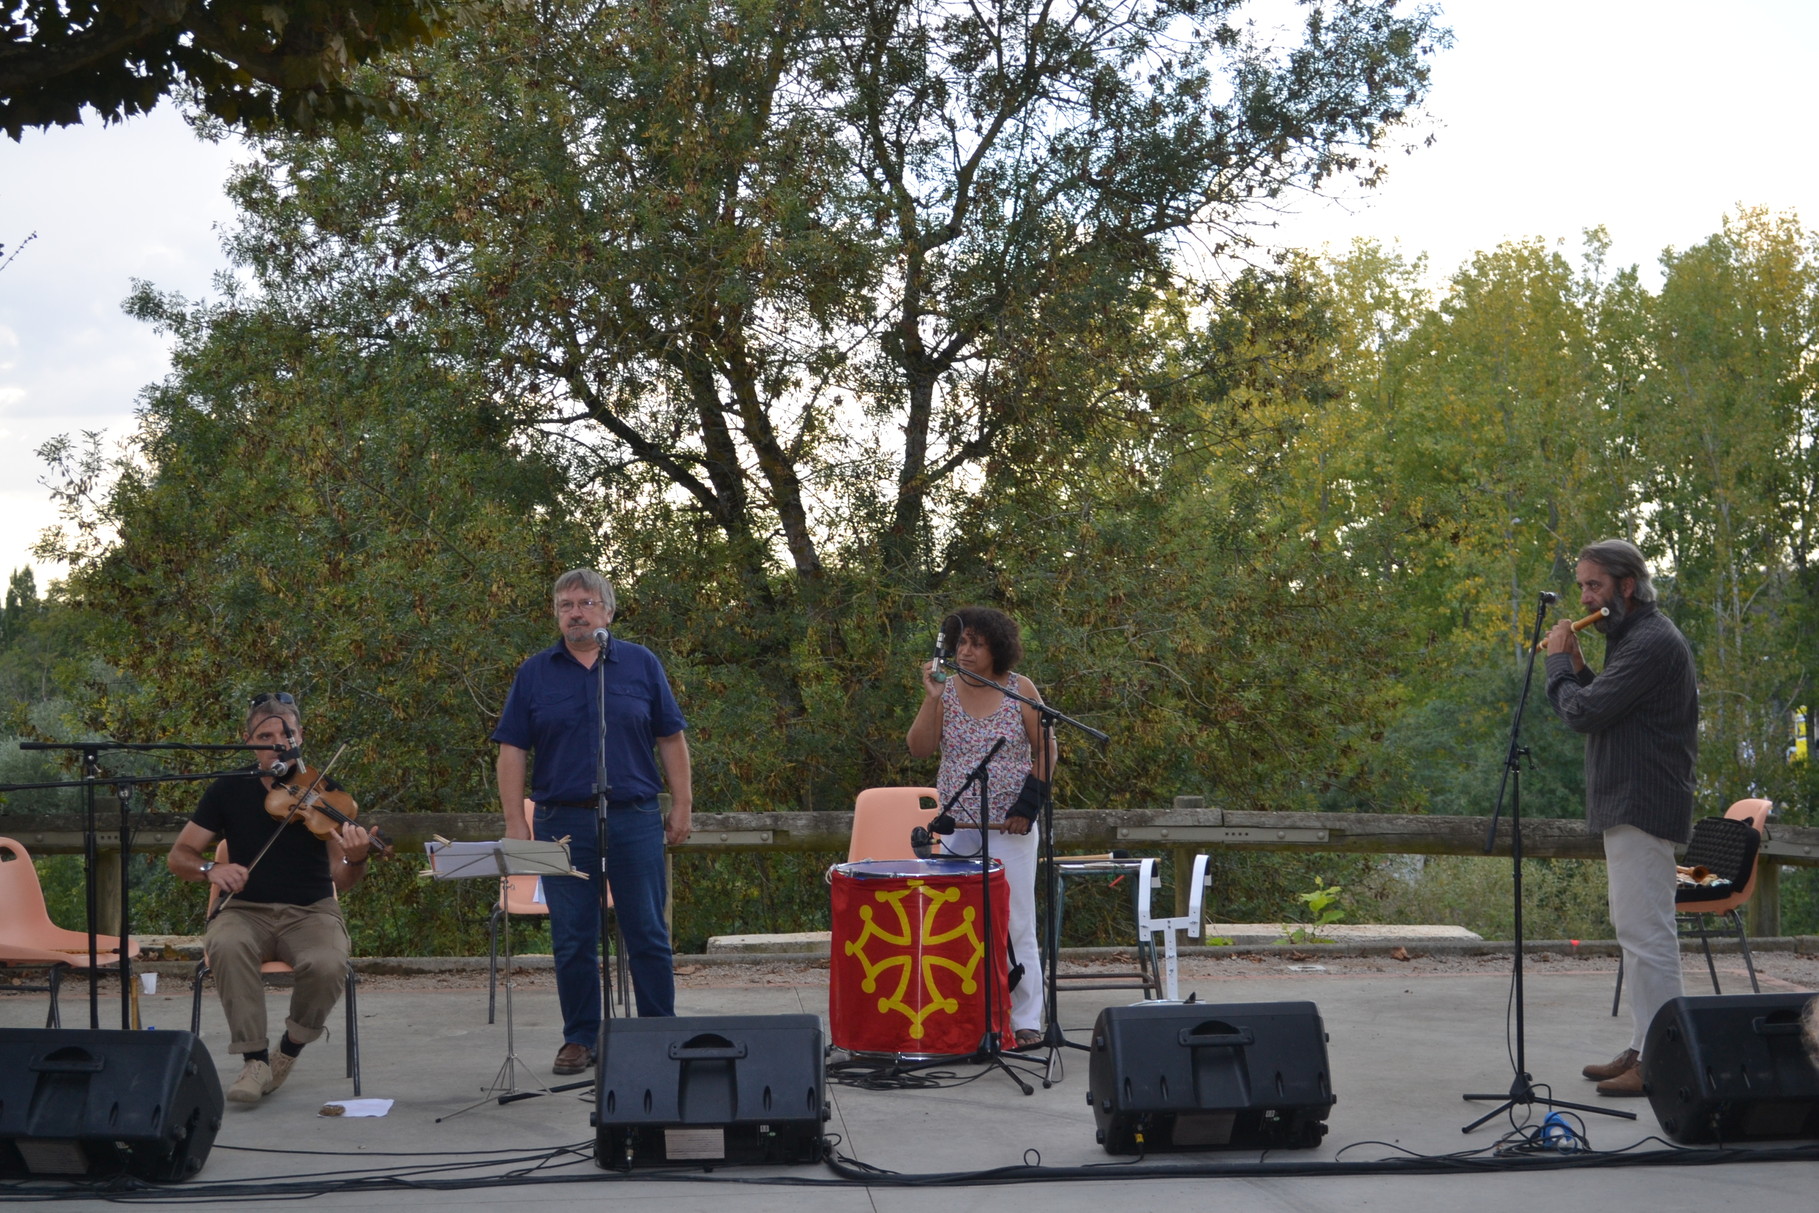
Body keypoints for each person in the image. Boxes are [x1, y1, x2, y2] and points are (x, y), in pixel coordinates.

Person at [493, 569, 693, 1076]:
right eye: (565, 605)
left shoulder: (641, 665)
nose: (575, 612)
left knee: (646, 930)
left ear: (608, 610)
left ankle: (657, 1032)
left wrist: (683, 804)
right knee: (572, 936)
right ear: (556, 614)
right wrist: (516, 821)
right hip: (561, 822)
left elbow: (671, 738)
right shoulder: (535, 673)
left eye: (585, 603)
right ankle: (580, 1038)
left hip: (635, 817)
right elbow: (512, 748)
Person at [1544, 538, 1698, 1097]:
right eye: (1582, 586)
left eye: (1594, 586)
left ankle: (1660, 1058)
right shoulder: (1635, 639)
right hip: (1632, 801)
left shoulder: (1651, 641)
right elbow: (1608, 709)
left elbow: (1584, 714)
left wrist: (1559, 664)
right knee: (1636, 932)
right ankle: (1643, 1046)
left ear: (1626, 587)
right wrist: (1582, 670)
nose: (1586, 597)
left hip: (1644, 801)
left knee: (1648, 935)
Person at [168, 693, 373, 1105]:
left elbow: (343, 879)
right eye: (266, 735)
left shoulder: (327, 794)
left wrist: (358, 856)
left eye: (286, 733)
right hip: (245, 910)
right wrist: (212, 869)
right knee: (225, 944)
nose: (278, 742)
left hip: (311, 910)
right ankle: (254, 1058)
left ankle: (288, 1050)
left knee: (329, 963)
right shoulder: (228, 789)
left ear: (300, 736)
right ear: (248, 741)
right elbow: (180, 856)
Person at [906, 607, 1058, 1052]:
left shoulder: (1019, 689)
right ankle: (965, 1015)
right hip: (958, 823)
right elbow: (918, 749)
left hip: (1009, 824)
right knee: (957, 923)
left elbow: (1046, 748)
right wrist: (931, 698)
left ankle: (1026, 1018)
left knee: (1015, 921)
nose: (966, 651)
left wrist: (1027, 806)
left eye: (976, 643)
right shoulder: (945, 691)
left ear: (997, 649)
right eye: (961, 642)